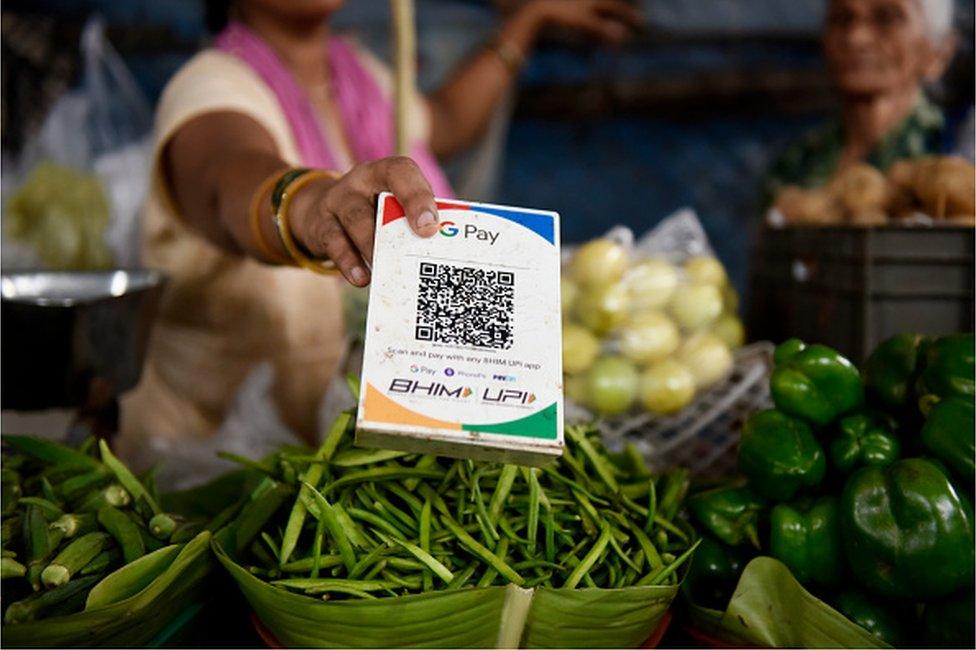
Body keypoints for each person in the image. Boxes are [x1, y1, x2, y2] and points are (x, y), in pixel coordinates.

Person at [117, 0, 640, 464]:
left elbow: (448, 119)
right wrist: (311, 206)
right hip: (206, 467)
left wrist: (527, 21)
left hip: (325, 456)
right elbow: (227, 177)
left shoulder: (359, 75)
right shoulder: (209, 86)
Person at [764, 0, 957, 201]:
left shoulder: (953, 150)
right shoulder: (797, 164)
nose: (856, 38)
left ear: (939, 51)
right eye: (842, 19)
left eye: (887, 19)